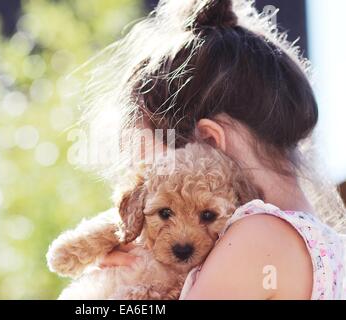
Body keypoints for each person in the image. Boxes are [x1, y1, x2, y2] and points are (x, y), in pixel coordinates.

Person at [81, 0, 346, 299]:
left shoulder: (256, 238)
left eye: (152, 168)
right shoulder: (329, 249)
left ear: (207, 144)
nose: (141, 179)